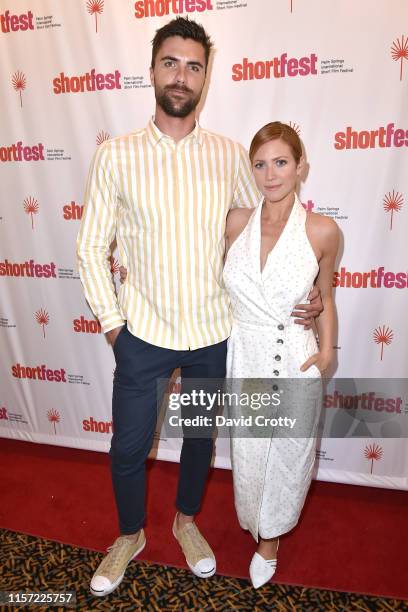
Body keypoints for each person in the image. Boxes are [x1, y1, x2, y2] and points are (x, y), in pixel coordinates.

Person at [77, 18, 322, 597]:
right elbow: (90, 248)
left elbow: (265, 229)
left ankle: (185, 521)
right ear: (153, 69)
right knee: (129, 446)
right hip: (142, 333)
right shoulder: (116, 155)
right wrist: (115, 328)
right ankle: (130, 534)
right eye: (171, 63)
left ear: (206, 78)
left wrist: (305, 288)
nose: (181, 75)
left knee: (200, 440)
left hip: (216, 333)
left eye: (193, 66)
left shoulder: (231, 156)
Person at [223, 121, 339, 588]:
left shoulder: (322, 230)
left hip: (295, 356)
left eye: (281, 162)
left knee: (289, 457)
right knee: (250, 454)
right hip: (246, 354)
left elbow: (325, 295)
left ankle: (268, 543)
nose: (270, 174)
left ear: (300, 167)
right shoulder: (234, 222)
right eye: (260, 164)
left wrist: (326, 350)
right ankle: (255, 522)